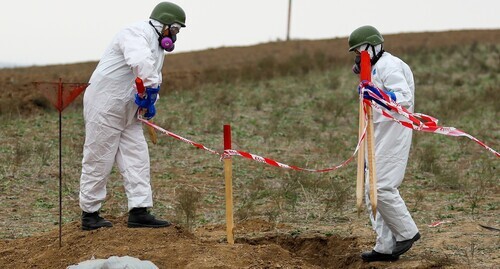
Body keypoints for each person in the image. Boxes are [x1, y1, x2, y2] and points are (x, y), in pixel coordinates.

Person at [79, 2, 186, 231]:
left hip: (129, 110)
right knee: (99, 158)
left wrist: (150, 103)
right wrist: (151, 88)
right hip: (105, 105)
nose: (175, 36)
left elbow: (153, 73)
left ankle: (139, 211)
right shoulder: (135, 33)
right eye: (174, 30)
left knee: (137, 157)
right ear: (163, 24)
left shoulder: (157, 46)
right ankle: (90, 214)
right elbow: (141, 64)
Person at [348, 25, 421, 262]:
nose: (357, 59)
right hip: (377, 131)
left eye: (359, 53)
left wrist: (377, 95)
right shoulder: (374, 69)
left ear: (370, 48)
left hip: (394, 131)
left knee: (381, 187)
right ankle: (385, 246)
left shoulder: (390, 65)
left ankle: (407, 232)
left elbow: (403, 97)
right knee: (372, 189)